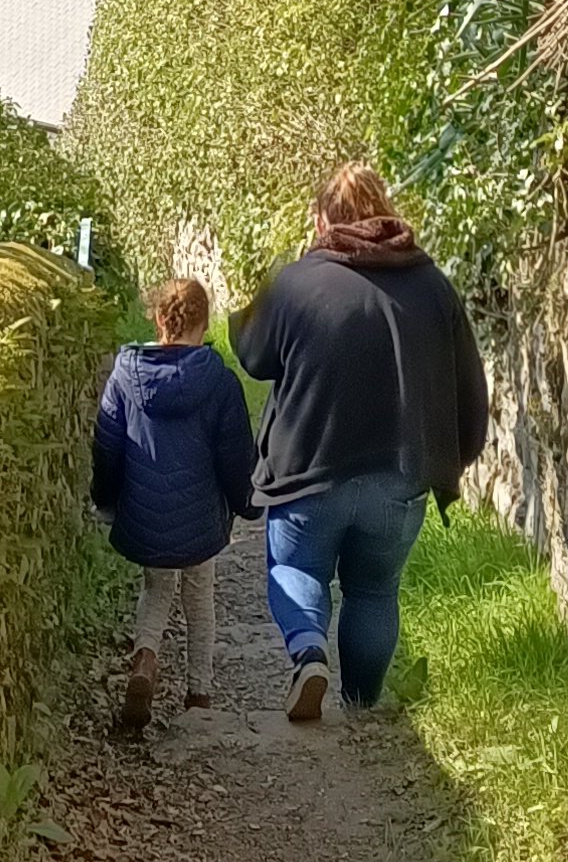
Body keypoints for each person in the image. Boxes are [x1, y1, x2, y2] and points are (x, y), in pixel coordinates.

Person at [235, 163, 488, 724]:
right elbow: (469, 387)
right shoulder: (432, 284)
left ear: (323, 218)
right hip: (399, 475)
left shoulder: (299, 281)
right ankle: (362, 708)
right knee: (374, 589)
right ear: (385, 210)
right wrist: (454, 458)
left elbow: (252, 354)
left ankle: (308, 654)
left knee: (296, 572)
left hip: (308, 468)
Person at [92, 274, 259, 732]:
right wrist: (246, 502)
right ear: (202, 323)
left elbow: (107, 444)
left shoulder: (126, 374)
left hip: (146, 515)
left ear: (159, 319)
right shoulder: (220, 382)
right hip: (202, 520)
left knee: (156, 590)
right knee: (199, 599)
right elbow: (235, 456)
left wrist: (106, 501)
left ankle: (144, 661)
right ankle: (198, 695)